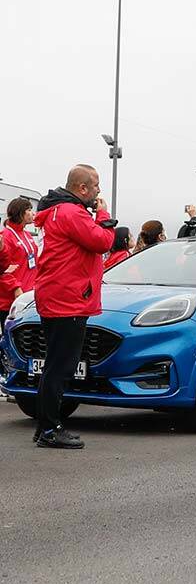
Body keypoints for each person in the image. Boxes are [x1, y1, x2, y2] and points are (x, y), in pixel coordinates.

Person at [33, 165, 117, 449]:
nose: (98, 191)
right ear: (82, 188)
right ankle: (50, 429)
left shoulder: (58, 211)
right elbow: (102, 241)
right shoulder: (72, 212)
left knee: (54, 365)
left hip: (56, 296)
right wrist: (103, 215)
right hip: (67, 300)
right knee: (61, 367)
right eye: (95, 185)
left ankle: (45, 425)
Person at [1, 198, 39, 325]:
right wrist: (15, 287)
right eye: (29, 210)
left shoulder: (27, 235)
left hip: (29, 295)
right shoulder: (6, 236)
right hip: (11, 299)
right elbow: (3, 269)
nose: (32, 213)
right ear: (20, 213)